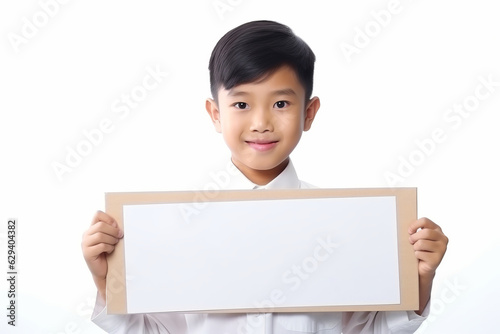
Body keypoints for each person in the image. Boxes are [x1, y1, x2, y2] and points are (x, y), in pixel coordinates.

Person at [82, 20, 448, 333]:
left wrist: (419, 278)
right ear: (215, 113)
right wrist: (106, 278)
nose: (260, 123)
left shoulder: (346, 222)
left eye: (281, 103)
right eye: (241, 104)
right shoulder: (176, 223)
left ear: (309, 112)